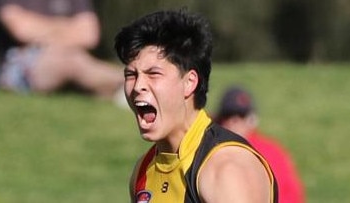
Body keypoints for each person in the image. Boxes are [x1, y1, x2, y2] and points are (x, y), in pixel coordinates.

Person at [114, 9, 278, 202]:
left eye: (153, 74)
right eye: (130, 75)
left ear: (189, 82)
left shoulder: (226, 168)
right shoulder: (143, 171)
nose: (137, 86)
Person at [0, 0, 123, 100]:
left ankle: (122, 86)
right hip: (17, 65)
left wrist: (43, 30)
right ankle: (123, 82)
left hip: (72, 55)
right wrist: (68, 27)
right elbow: (21, 30)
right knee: (69, 60)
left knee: (71, 58)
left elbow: (89, 35)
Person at [214, 85, 305, 203]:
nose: (234, 121)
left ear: (251, 120)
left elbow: (291, 195)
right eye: (228, 115)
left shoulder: (271, 152)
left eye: (241, 116)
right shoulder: (209, 147)